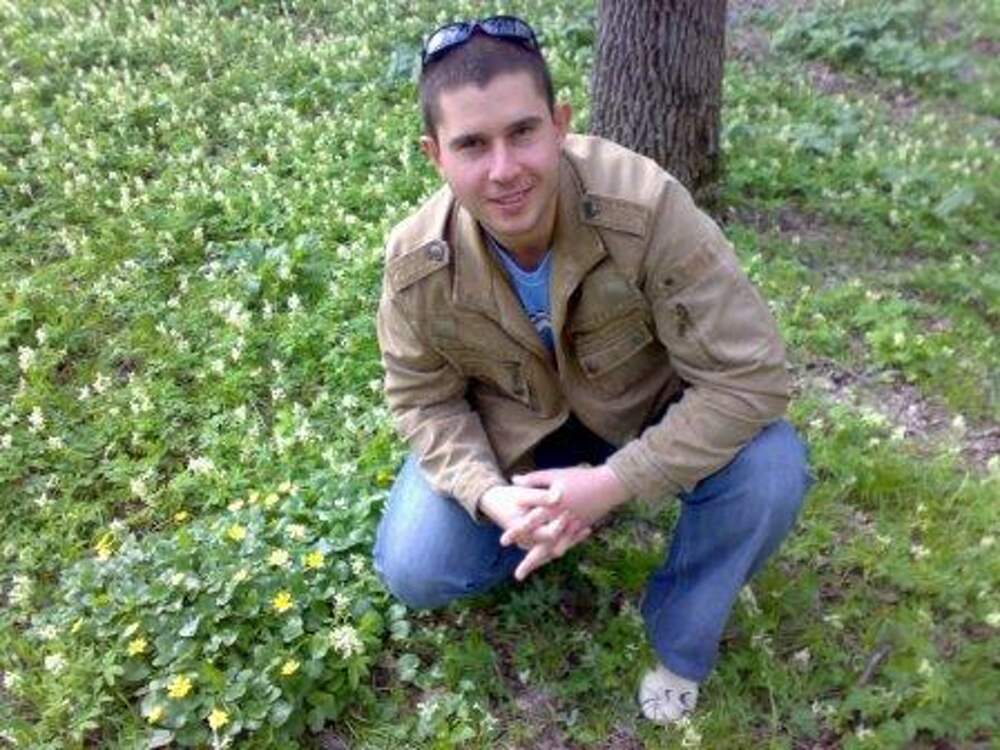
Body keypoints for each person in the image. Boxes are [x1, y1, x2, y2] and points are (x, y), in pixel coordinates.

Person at [373, 15, 811, 725]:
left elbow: (751, 379)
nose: (504, 170)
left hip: (646, 410)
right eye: (472, 145)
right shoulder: (417, 260)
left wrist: (615, 484)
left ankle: (679, 638)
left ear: (560, 124)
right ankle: (547, 526)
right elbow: (423, 400)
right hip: (521, 438)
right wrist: (492, 497)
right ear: (435, 155)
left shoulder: (646, 204)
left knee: (771, 469)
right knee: (414, 566)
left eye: (523, 132)